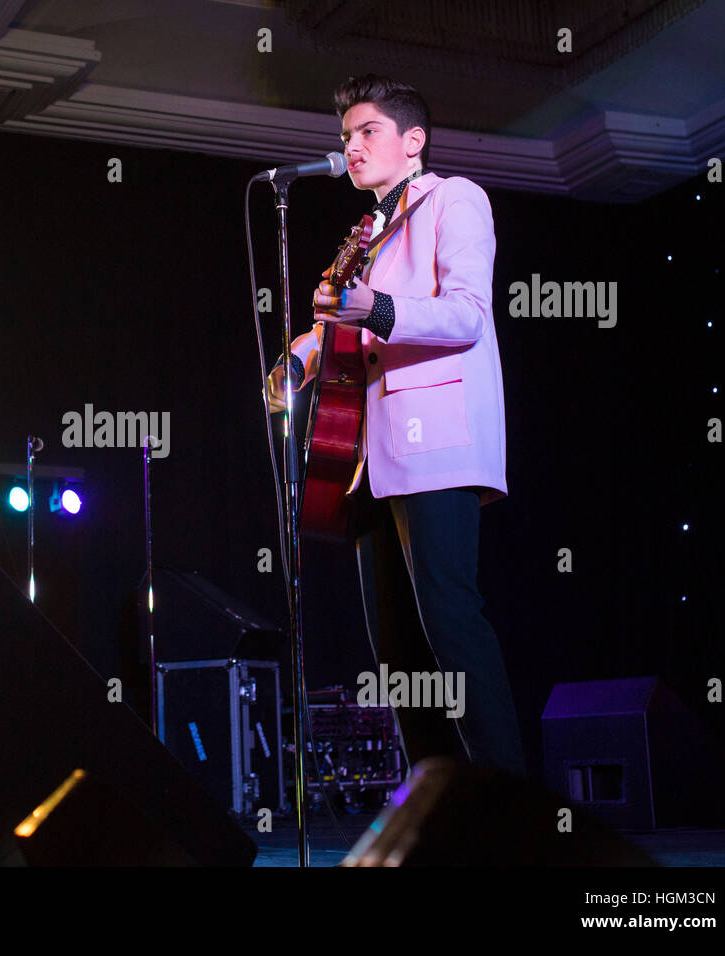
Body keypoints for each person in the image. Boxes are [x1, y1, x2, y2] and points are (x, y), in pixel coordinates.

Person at [267, 74, 526, 779]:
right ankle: (433, 817)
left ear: (412, 142)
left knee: (452, 628)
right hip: (367, 458)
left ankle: (508, 809)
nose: (351, 146)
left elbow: (467, 315)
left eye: (367, 132)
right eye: (345, 136)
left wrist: (373, 307)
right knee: (399, 656)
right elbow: (339, 327)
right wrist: (297, 359)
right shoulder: (366, 232)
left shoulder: (456, 198)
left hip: (436, 445)